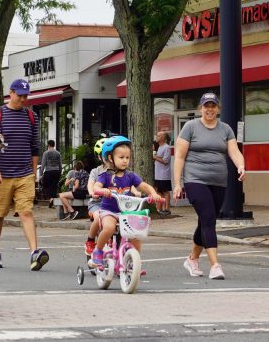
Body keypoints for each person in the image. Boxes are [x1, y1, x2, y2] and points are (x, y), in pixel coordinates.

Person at [172, 92, 245, 281]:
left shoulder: (226, 129)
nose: (210, 109)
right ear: (200, 108)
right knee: (209, 219)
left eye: (213, 106)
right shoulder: (190, 127)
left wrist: (241, 166)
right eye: (206, 106)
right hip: (195, 180)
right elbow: (179, 157)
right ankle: (215, 265)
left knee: (204, 221)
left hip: (219, 181)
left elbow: (234, 151)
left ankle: (192, 259)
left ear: (218, 108)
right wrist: (177, 183)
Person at [0, 78, 47, 271]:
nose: (23, 99)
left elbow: (34, 148)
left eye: (26, 96)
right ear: (11, 93)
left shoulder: (32, 117)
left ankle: (34, 253)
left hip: (24, 174)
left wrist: (33, 173)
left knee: (26, 211)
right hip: (2, 174)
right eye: (20, 95)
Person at [88, 136, 164, 268]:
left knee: (136, 234)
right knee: (109, 228)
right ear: (111, 158)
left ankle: (133, 263)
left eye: (127, 158)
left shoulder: (130, 176)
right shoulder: (106, 175)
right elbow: (96, 187)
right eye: (121, 157)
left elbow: (144, 186)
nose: (125, 161)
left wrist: (153, 193)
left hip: (125, 212)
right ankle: (98, 251)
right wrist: (102, 190)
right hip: (109, 211)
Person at [83, 136, 111, 256]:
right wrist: (92, 192)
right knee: (99, 217)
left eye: (110, 155)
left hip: (113, 203)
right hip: (97, 203)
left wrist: (135, 192)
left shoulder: (118, 170)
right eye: (104, 156)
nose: (108, 158)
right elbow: (91, 184)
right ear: (100, 157)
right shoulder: (96, 171)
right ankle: (90, 240)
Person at [152, 130, 173, 217]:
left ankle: (167, 209)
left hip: (164, 174)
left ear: (164, 138)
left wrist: (155, 157)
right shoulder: (159, 147)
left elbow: (166, 160)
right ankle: (159, 208)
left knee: (165, 191)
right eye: (157, 135)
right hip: (158, 174)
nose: (157, 137)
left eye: (159, 136)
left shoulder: (167, 147)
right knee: (159, 192)